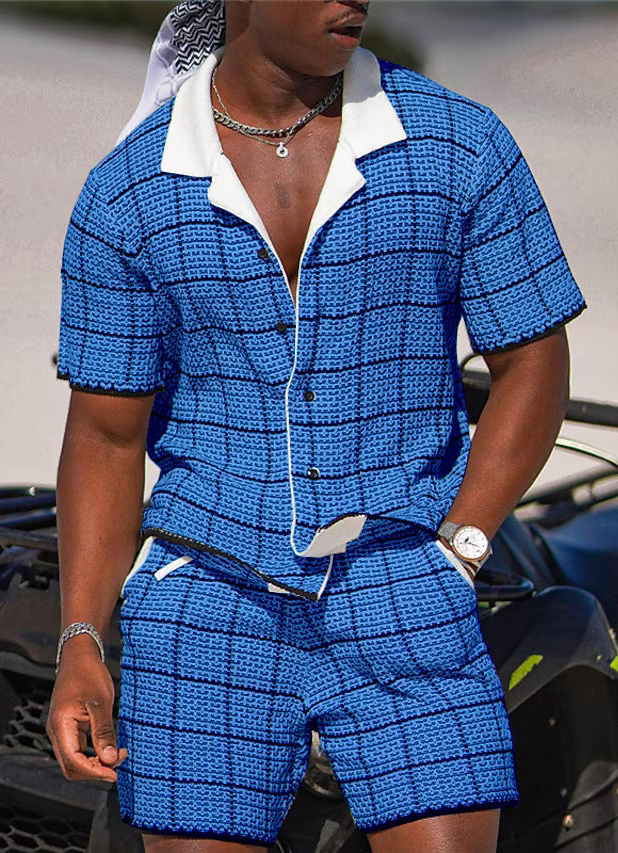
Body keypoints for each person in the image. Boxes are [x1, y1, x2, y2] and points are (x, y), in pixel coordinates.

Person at [46, 1, 586, 851]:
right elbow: (105, 436)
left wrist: (461, 547)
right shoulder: (128, 191)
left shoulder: (459, 144)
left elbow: (534, 362)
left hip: (407, 577)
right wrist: (81, 638)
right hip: (207, 597)